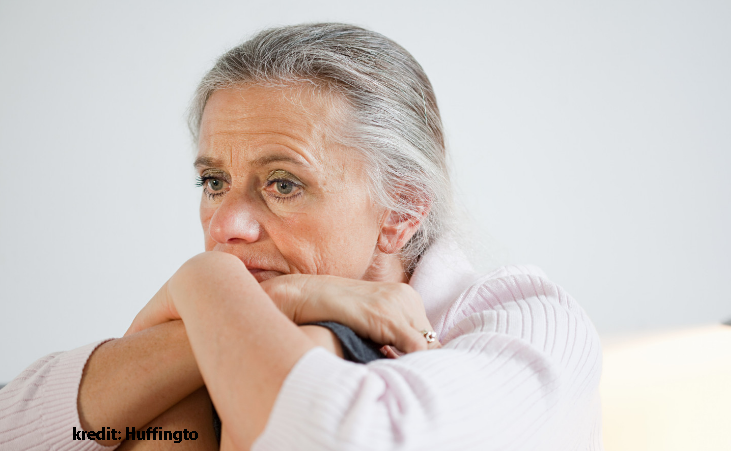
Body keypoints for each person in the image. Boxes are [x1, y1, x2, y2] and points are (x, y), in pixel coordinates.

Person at [0, 23, 603, 450]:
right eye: (214, 180)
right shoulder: (227, 322)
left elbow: (329, 437)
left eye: (283, 184)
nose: (224, 227)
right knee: (163, 409)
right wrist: (254, 308)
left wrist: (204, 283)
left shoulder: (533, 322)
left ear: (401, 211)